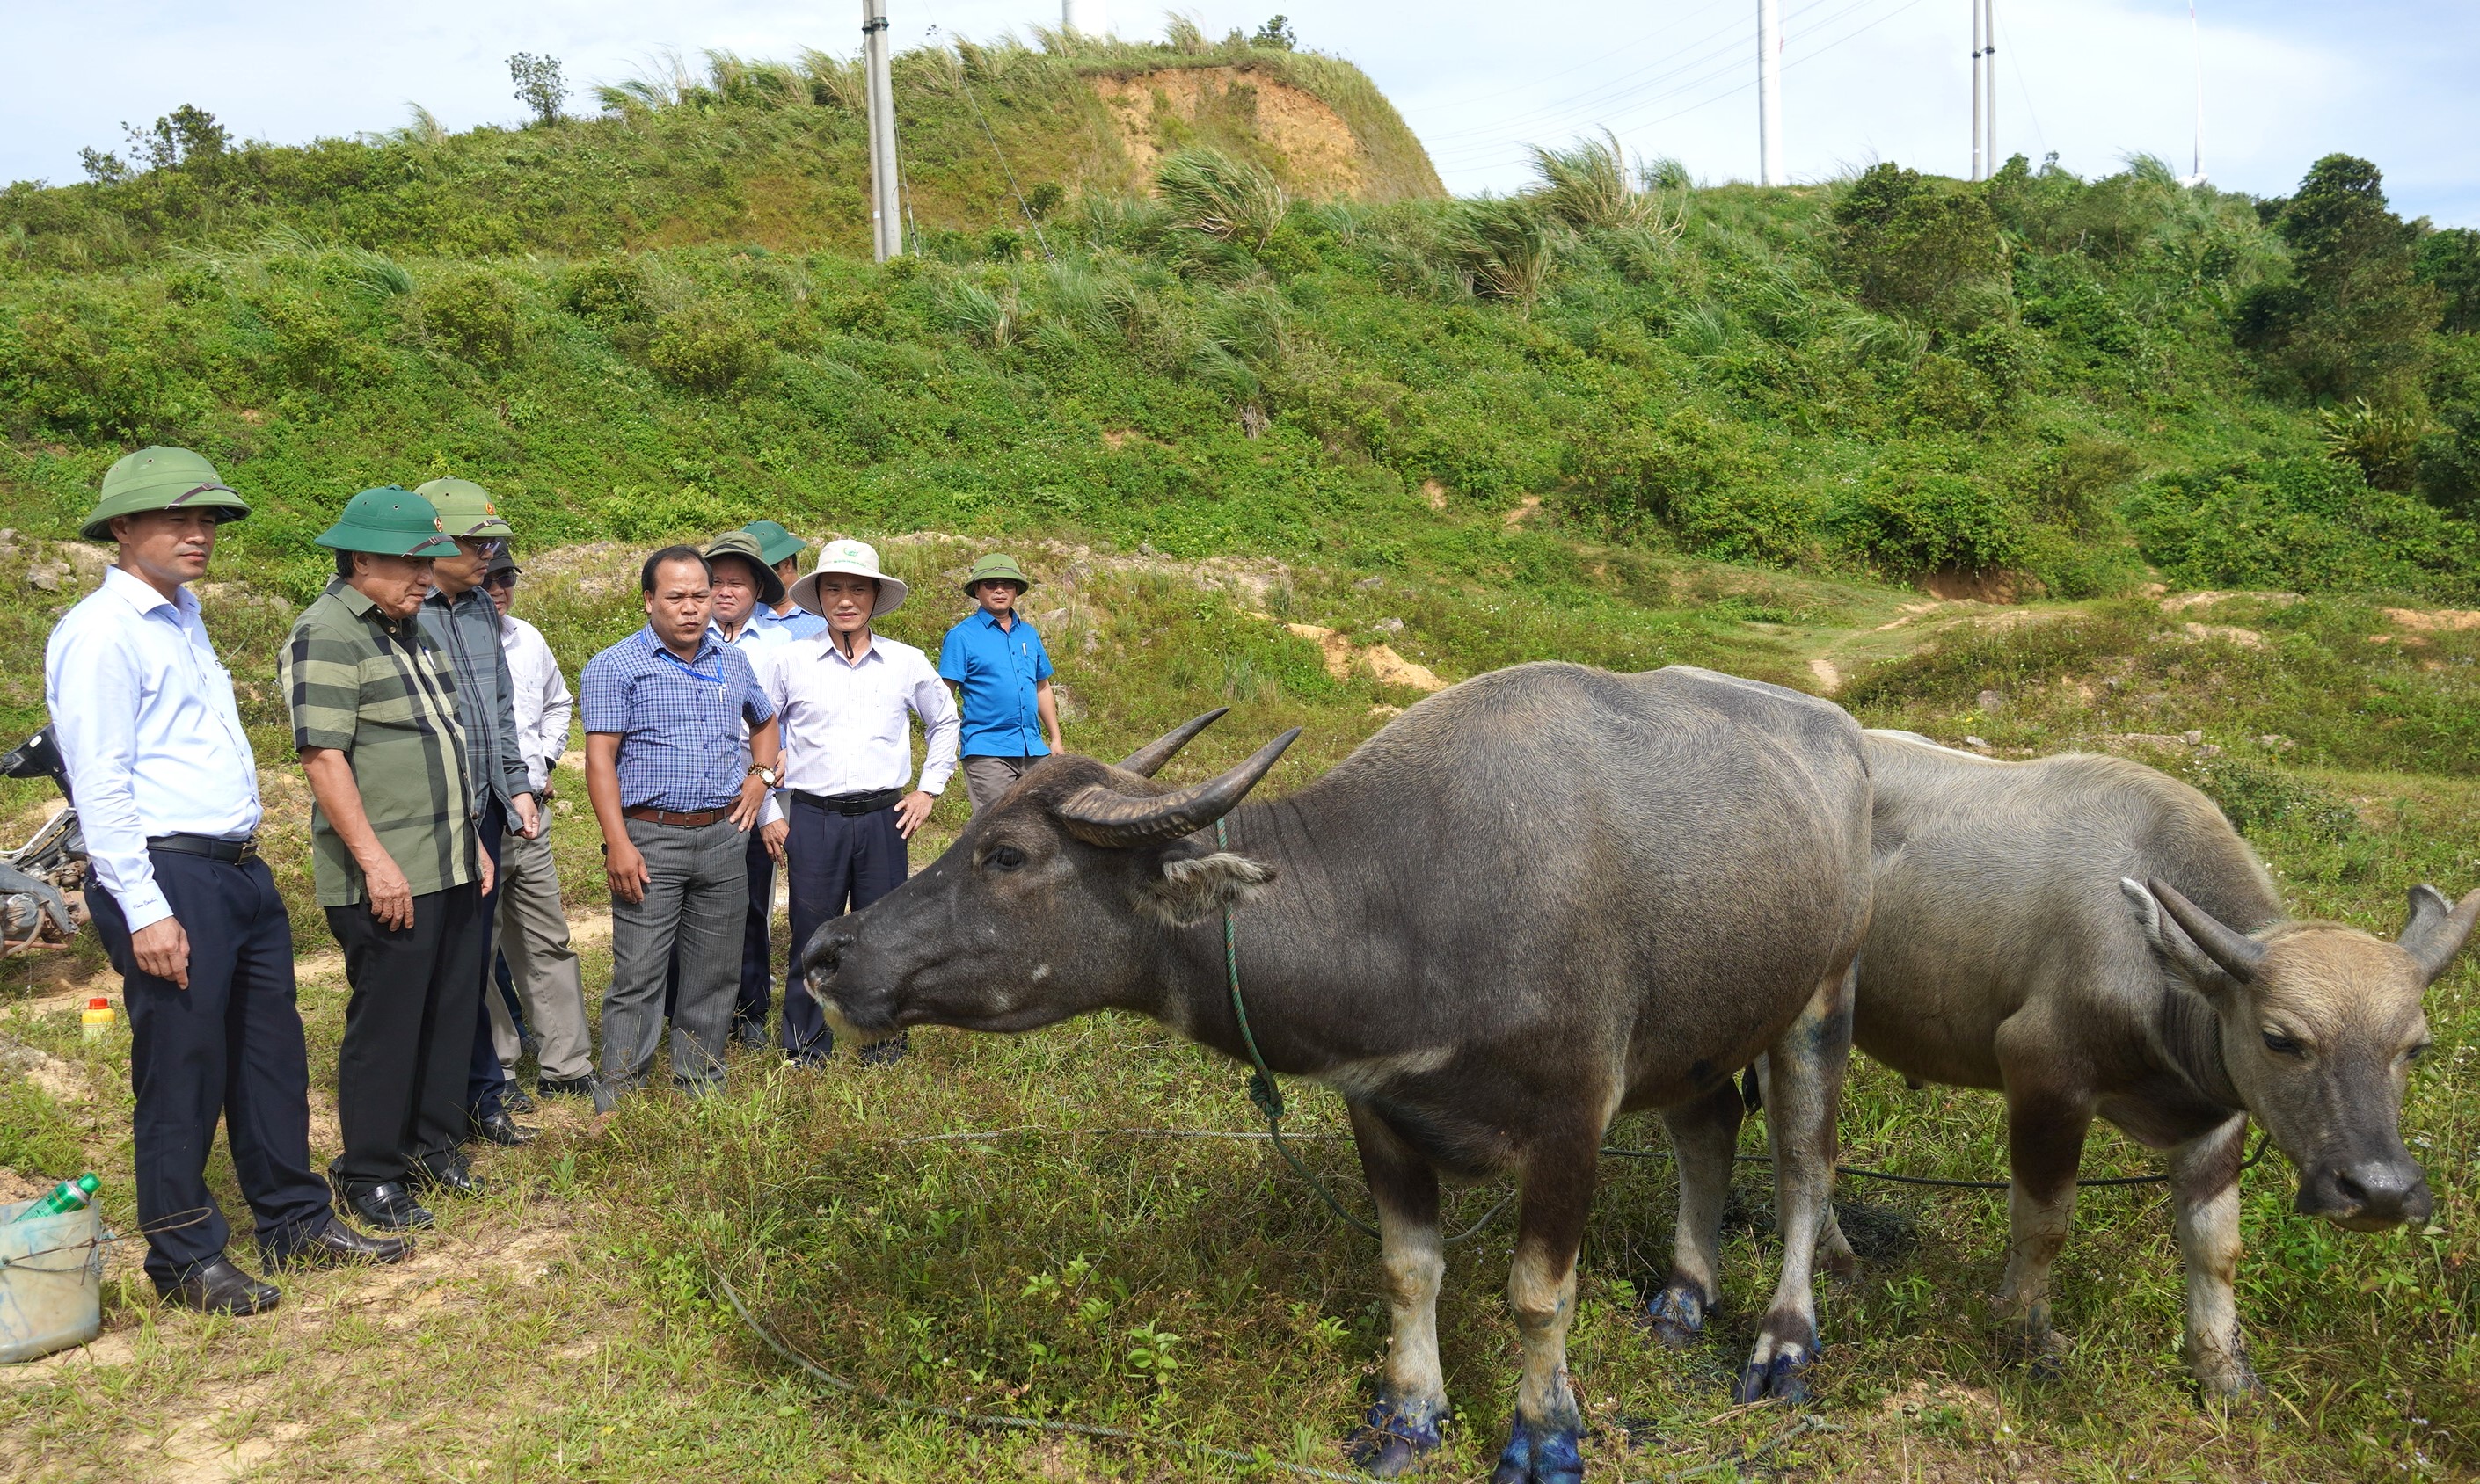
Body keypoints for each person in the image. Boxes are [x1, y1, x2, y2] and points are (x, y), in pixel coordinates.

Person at [49, 449, 408, 1316]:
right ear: (124, 528)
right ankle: (182, 1254)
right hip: (168, 872)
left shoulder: (183, 616)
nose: (199, 534)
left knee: (269, 1055)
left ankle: (291, 1214)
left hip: (235, 867)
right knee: (181, 1065)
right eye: (179, 519)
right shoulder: (102, 632)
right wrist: (144, 907)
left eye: (209, 520)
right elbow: (99, 782)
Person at [281, 486, 493, 1233]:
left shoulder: (412, 629)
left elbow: (442, 743)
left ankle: (434, 1145)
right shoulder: (328, 633)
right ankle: (369, 1171)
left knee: (447, 1007)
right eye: (410, 564)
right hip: (388, 872)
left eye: (430, 562)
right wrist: (375, 862)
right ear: (360, 557)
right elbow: (324, 757)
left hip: (448, 858)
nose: (426, 577)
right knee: (390, 1021)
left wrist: (469, 839)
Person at [580, 547, 783, 1097]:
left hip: (723, 836)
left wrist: (760, 777)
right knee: (639, 973)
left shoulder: (730, 661)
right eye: (676, 597)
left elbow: (766, 722)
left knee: (714, 969)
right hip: (650, 837)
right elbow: (599, 762)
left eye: (700, 595)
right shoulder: (615, 666)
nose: (691, 609)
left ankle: (700, 1077)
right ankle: (620, 1093)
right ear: (649, 601)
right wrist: (617, 843)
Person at [762, 539, 958, 1066]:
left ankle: (882, 1044)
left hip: (883, 818)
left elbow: (945, 721)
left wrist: (928, 789)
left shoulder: (905, 662)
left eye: (856, 589)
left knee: (882, 934)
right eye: (833, 589)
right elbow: (753, 734)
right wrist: (769, 811)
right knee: (813, 933)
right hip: (813, 817)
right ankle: (805, 1048)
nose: (845, 600)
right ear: (819, 596)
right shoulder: (789, 661)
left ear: (874, 596)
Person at [411, 478, 538, 1149]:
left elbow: (500, 708)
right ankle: (435, 1102)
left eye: (493, 541)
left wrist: (516, 785)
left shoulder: (479, 611)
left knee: (471, 961)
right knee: (430, 964)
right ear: (431, 542)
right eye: (473, 541)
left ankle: (482, 1095)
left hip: (485, 809)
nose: (488, 553)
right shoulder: (405, 612)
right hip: (429, 816)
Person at [483, 549, 599, 1102]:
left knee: (545, 938)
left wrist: (545, 763)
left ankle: (567, 1064)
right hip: (475, 817)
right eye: (488, 577)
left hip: (531, 818)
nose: (498, 586)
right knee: (477, 950)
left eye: (505, 576)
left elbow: (559, 704)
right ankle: (498, 1069)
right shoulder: (436, 639)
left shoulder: (527, 639)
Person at [702, 530, 792, 1047]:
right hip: (702, 795)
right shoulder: (685, 637)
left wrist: (773, 782)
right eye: (717, 582)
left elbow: (794, 721)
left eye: (738, 582)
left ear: (758, 588)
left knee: (755, 902)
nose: (726, 592)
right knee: (700, 908)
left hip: (762, 795)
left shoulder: (784, 644)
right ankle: (696, 1010)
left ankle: (751, 1010)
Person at [939, 554, 1064, 814]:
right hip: (987, 752)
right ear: (977, 590)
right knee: (997, 828)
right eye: (990, 584)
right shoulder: (961, 636)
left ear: (1016, 589)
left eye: (1007, 584)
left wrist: (1055, 739)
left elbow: (1042, 687)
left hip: (1033, 748)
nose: (999, 590)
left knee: (1045, 824)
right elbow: (944, 696)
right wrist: (945, 749)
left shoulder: (1028, 633)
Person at [743, 520, 826, 642]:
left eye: (762, 572)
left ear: (786, 564)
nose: (755, 580)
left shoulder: (824, 612)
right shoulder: (742, 614)